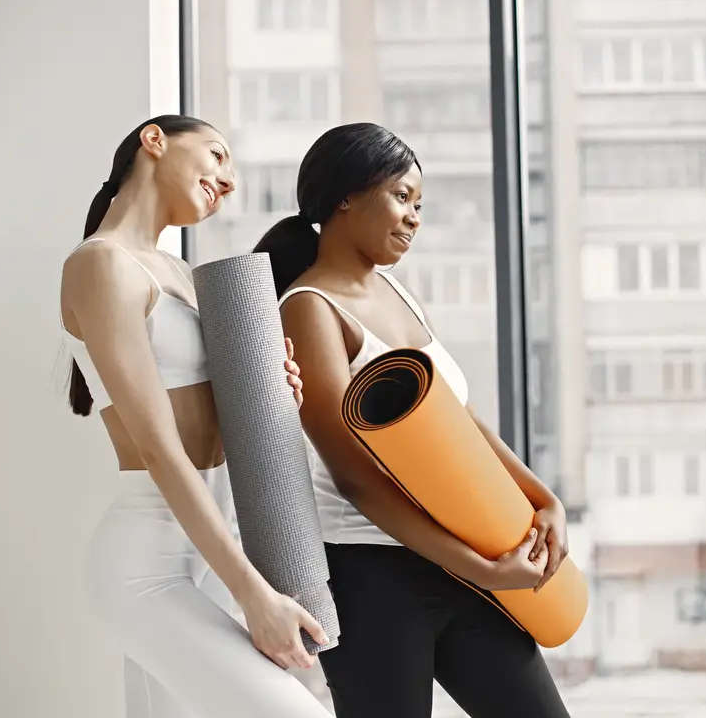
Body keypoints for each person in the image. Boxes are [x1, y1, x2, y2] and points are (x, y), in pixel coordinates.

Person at [254, 122, 572, 718]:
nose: (415, 217)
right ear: (345, 195)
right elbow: (355, 478)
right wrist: (480, 568)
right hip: (370, 575)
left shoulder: (399, 292)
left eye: (419, 204)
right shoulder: (307, 308)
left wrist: (541, 497)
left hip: (452, 556)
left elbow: (459, 419)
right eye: (402, 196)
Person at [60, 115, 332, 717]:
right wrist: (254, 596)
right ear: (154, 140)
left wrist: (270, 387)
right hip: (149, 564)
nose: (228, 181)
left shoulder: (182, 275)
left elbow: (219, 417)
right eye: (217, 155)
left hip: (220, 542)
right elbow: (158, 446)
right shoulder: (101, 265)